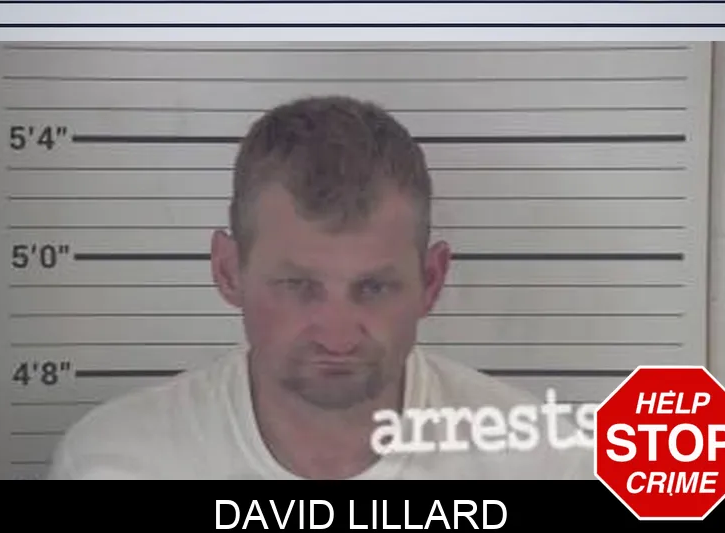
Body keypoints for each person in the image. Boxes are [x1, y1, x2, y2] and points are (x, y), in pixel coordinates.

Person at [47, 95, 594, 480]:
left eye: (374, 288)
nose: (337, 337)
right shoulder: (114, 463)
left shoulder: (547, 464)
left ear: (431, 282)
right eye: (297, 286)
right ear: (229, 272)